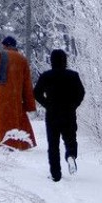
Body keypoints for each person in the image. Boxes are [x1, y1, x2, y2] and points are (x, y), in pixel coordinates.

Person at [33, 48, 86, 182]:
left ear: (51, 61)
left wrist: (47, 104)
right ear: (65, 60)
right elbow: (81, 92)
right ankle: (70, 155)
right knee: (70, 139)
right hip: (68, 113)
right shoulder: (73, 75)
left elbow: (36, 93)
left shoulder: (46, 76)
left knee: (53, 145)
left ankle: (56, 175)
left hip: (52, 114)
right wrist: (74, 105)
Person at [0, 36, 37, 150]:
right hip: (16, 95)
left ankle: (6, 143)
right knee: (17, 118)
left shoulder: (1, 56)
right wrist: (29, 104)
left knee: (4, 120)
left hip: (2, 94)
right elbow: (27, 84)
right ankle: (23, 143)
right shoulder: (22, 60)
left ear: (5, 45)